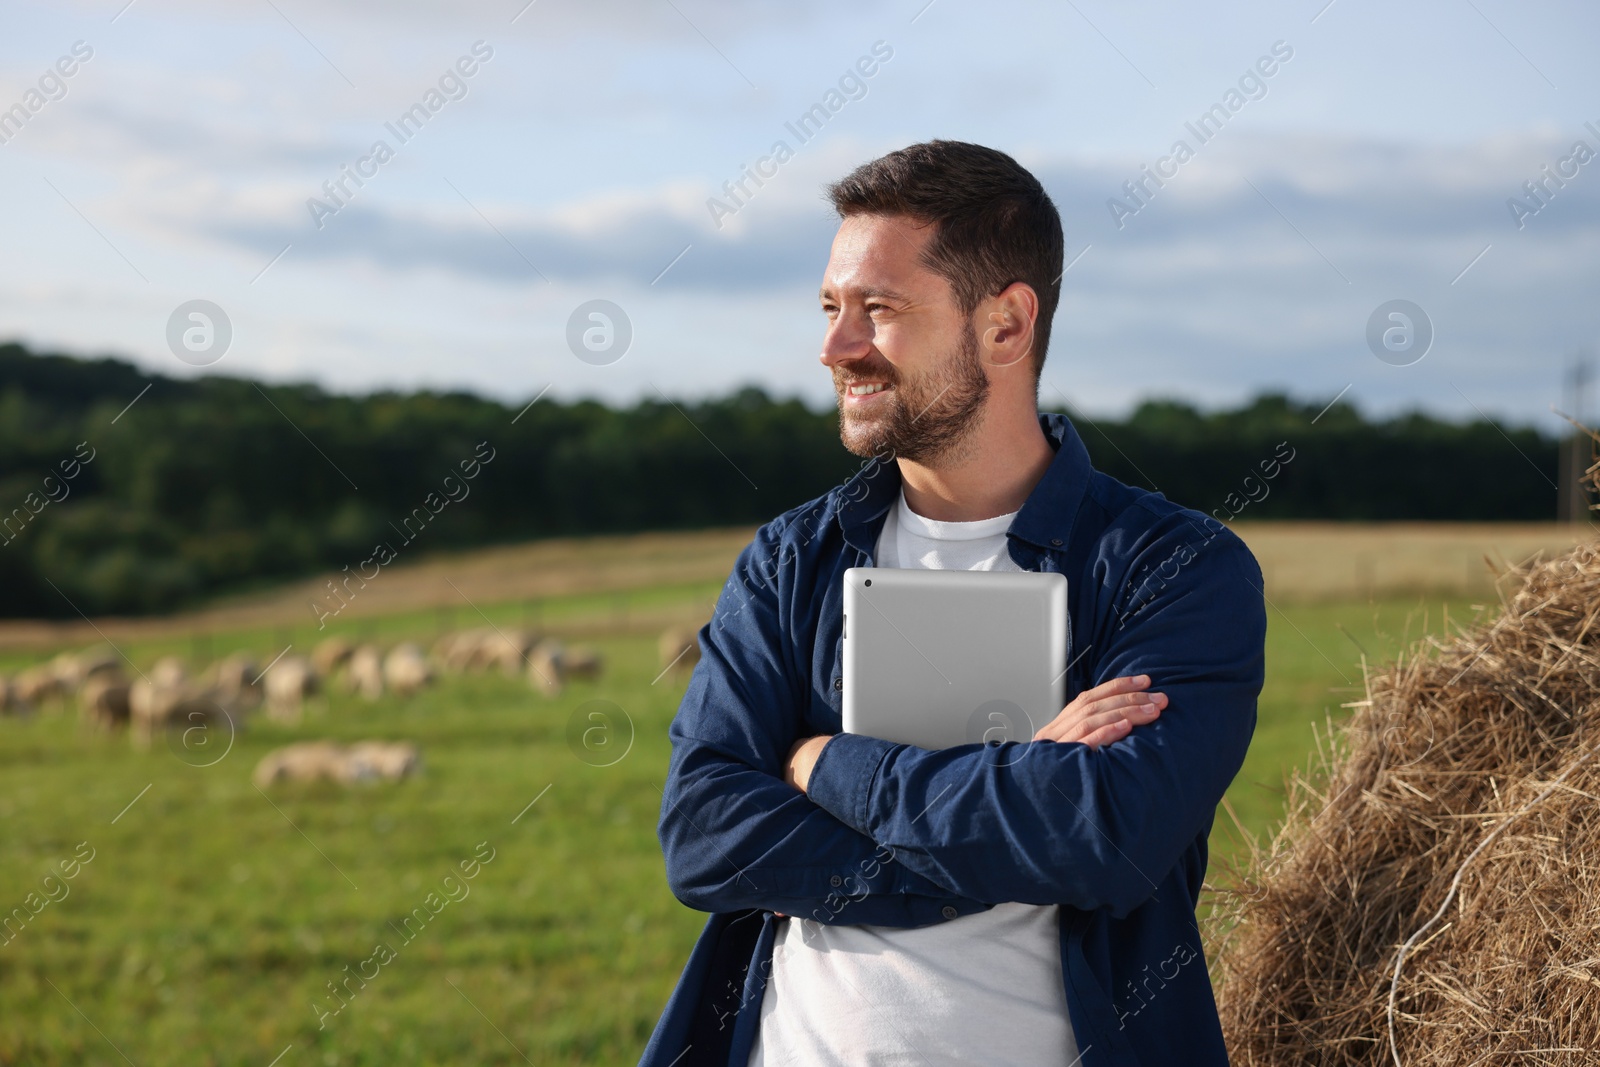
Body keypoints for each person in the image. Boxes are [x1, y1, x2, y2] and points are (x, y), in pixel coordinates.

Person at [639, 140, 1265, 1067]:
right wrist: (1014, 797)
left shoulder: (1178, 568)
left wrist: (825, 767)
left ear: (1006, 326)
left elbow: (1106, 841)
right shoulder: (789, 561)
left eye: (879, 310)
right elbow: (705, 837)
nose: (834, 346)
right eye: (830, 307)